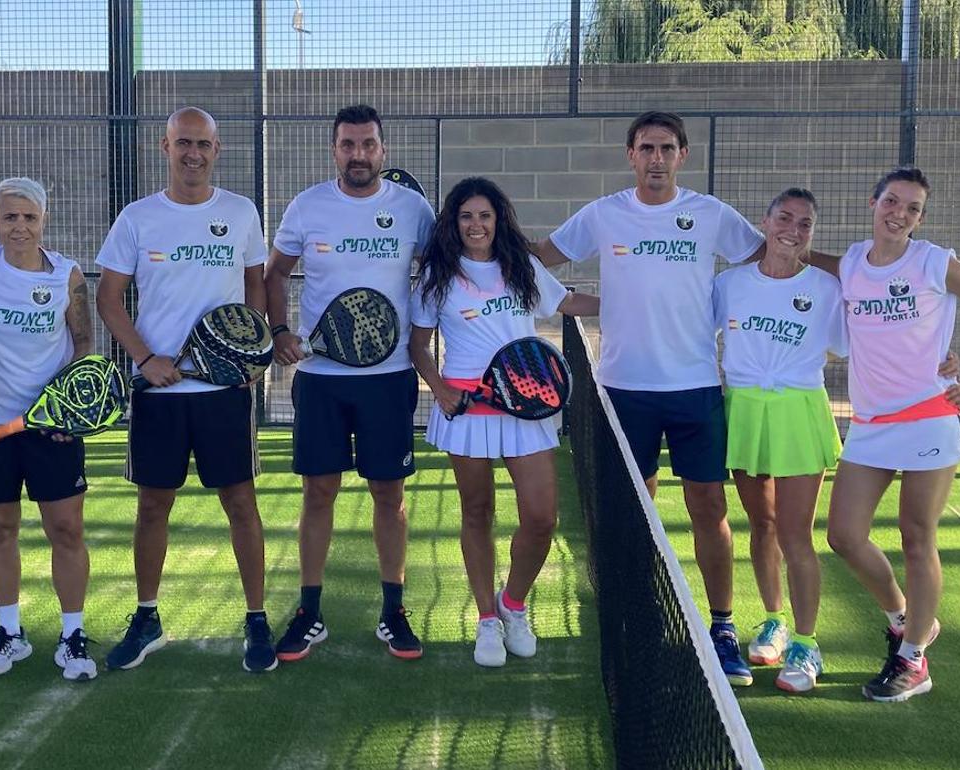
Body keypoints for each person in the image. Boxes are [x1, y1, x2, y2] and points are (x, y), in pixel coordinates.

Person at [532, 111, 763, 684]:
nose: (656, 158)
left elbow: (772, 262)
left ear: (682, 155)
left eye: (666, 148)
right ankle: (638, 614)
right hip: (622, 390)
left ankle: (723, 625)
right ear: (629, 155)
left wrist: (857, 274)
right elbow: (540, 256)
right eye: (645, 148)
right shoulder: (603, 214)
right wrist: (479, 239)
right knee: (634, 512)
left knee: (709, 508)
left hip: (696, 390)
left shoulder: (712, 216)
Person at [826, 167, 960, 702]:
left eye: (912, 208)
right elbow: (810, 266)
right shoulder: (850, 264)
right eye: (892, 201)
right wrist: (782, 246)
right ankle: (903, 618)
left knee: (917, 536)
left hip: (930, 417)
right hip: (870, 424)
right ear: (873, 202)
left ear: (920, 219)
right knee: (843, 535)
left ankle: (913, 660)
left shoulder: (935, 262)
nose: (900, 213)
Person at [96, 107, 276, 673]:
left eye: (203, 144)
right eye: (183, 143)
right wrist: (145, 359)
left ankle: (256, 620)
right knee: (153, 506)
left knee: (241, 504)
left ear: (217, 149)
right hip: (158, 394)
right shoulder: (137, 217)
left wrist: (254, 354)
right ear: (164, 146)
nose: (193, 153)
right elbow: (107, 297)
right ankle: (147, 617)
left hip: (224, 393)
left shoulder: (241, 213)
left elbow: (256, 287)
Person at [265, 104, 435, 661]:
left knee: (390, 494)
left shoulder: (413, 209)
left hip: (389, 380)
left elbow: (443, 272)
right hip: (320, 379)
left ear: (383, 150)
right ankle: (309, 613)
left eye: (367, 145)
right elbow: (275, 274)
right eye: (347, 145)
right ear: (334, 149)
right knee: (319, 492)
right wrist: (282, 329)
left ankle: (394, 610)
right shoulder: (307, 205)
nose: (358, 154)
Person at [409, 177, 598, 667]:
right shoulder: (438, 277)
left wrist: (634, 301)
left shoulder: (523, 267)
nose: (476, 225)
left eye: (485, 216)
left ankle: (513, 604)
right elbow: (417, 345)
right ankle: (486, 620)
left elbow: (567, 303)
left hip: (527, 407)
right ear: (454, 223)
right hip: (467, 409)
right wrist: (440, 387)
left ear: (499, 220)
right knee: (478, 512)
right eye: (466, 216)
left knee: (541, 517)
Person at [0, 177, 97, 681]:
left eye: (29, 217)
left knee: (66, 530)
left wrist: (65, 410)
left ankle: (72, 637)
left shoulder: (68, 276)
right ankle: (10, 634)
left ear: (43, 222)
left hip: (48, 428)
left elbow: (83, 345)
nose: (19, 227)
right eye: (9, 217)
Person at [712, 189, 845, 692]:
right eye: (785, 218)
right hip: (743, 409)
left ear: (813, 233)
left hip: (798, 411)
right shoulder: (729, 284)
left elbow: (850, 345)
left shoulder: (827, 288)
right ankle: (773, 618)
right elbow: (697, 333)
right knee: (761, 524)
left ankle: (806, 644)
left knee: (795, 534)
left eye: (805, 223)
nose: (793, 229)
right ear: (764, 223)